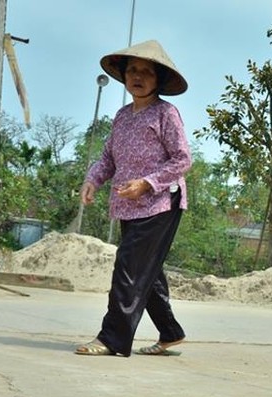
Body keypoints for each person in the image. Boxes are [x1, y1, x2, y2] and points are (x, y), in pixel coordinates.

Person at [75, 40, 191, 357]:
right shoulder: (123, 117)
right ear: (124, 76)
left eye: (146, 71)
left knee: (128, 268)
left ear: (158, 80)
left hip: (160, 203)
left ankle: (112, 339)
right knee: (146, 270)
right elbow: (108, 160)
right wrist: (92, 180)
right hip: (128, 206)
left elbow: (182, 160)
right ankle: (169, 332)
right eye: (132, 70)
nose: (138, 76)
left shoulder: (166, 114)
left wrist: (147, 183)